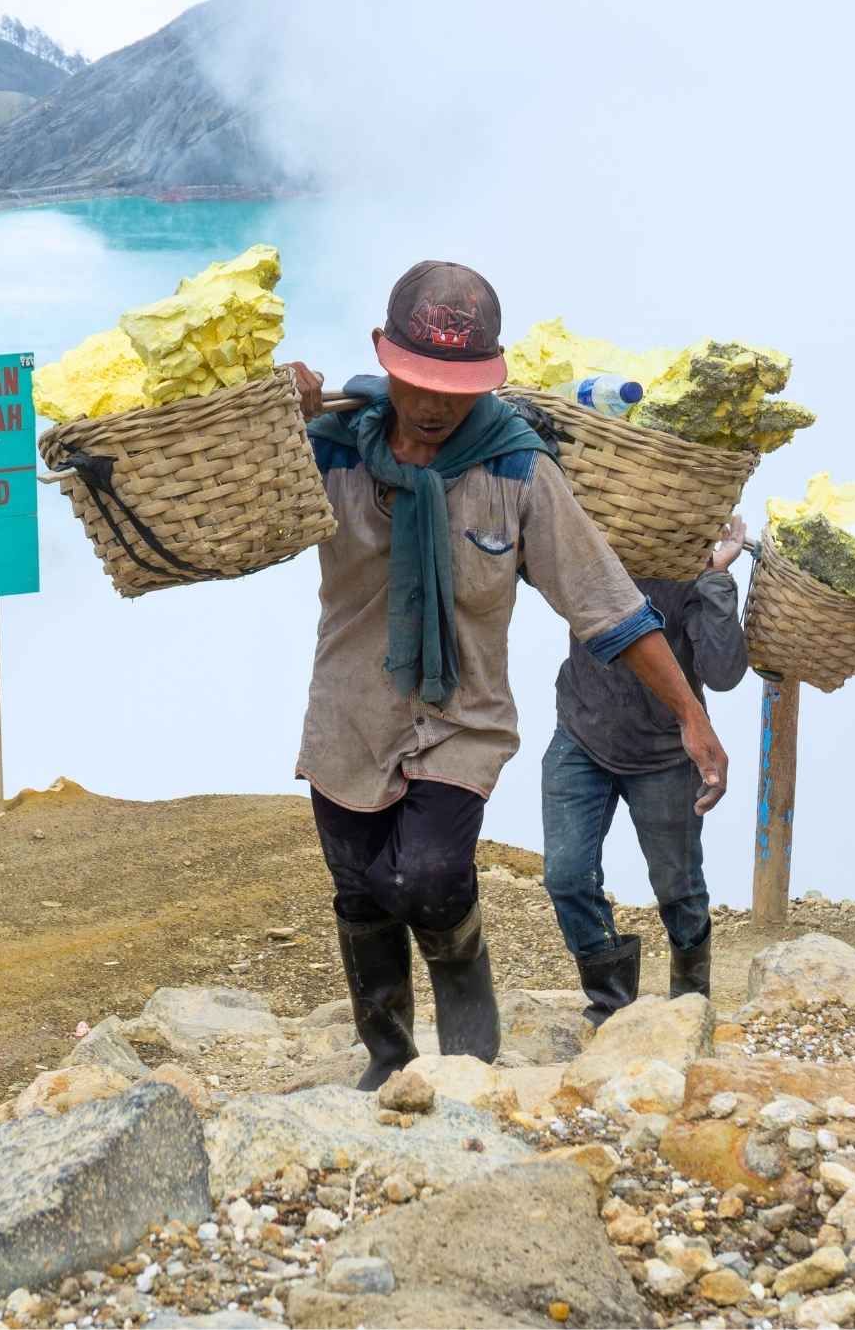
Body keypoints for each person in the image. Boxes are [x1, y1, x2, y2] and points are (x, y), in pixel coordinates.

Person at [286, 260, 729, 1089]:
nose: (432, 404)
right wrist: (273, 415)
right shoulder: (330, 450)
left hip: (461, 717)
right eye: (417, 381)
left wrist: (689, 717)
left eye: (455, 387)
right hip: (347, 710)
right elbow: (231, 518)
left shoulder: (519, 470)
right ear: (383, 357)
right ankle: (387, 1060)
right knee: (358, 889)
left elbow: (607, 604)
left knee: (429, 875)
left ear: (486, 380)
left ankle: (468, 1052)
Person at [542, 513, 750, 1026]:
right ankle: (611, 1005)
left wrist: (717, 578)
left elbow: (723, 674)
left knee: (678, 886)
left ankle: (689, 1003)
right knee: (567, 876)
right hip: (582, 733)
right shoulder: (596, 541)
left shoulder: (692, 567)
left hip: (663, 752)